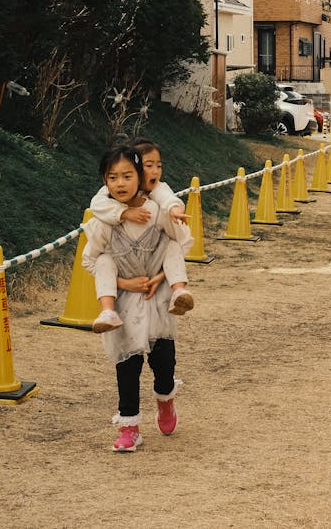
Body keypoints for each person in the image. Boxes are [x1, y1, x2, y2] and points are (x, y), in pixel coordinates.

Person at [83, 145, 194, 452]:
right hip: (122, 302)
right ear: (104, 181)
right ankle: (130, 428)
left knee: (163, 363)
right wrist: (123, 283)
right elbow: (89, 261)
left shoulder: (156, 211)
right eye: (112, 177)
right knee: (127, 366)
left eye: (127, 175)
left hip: (159, 298)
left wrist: (161, 277)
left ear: (140, 176)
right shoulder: (103, 222)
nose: (120, 183)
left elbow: (182, 243)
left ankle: (165, 400)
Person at [89, 138, 193, 334]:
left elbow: (169, 199)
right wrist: (124, 213)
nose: (154, 171)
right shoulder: (107, 204)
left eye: (158, 165)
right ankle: (108, 312)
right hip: (124, 293)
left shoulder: (157, 197)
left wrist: (175, 209)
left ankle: (179, 290)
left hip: (157, 288)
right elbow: (96, 205)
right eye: (148, 165)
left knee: (163, 355)